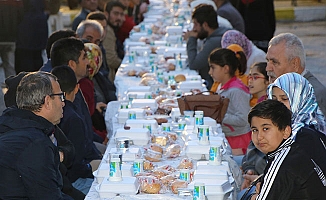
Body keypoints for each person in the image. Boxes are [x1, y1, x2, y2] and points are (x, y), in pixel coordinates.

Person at [239, 72, 326, 199]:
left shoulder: (301, 138)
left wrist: (257, 193)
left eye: (285, 99)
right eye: (274, 99)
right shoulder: (311, 129)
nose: (278, 104)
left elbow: (285, 172)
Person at [3, 72, 85, 199]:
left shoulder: (13, 123)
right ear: (47, 101)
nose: (63, 103)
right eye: (60, 97)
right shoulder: (35, 143)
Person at [50, 37, 104, 158]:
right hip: (83, 163)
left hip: (90, 149)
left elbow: (86, 131)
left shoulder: (75, 86)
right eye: (84, 58)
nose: (88, 62)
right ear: (72, 64)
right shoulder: (63, 97)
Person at [52, 66, 94, 195]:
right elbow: (77, 164)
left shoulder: (56, 115)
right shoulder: (73, 118)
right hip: (74, 181)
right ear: (76, 88)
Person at [266, 32, 326, 116]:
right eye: (267, 61)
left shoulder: (312, 96)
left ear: (295, 64)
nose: (268, 68)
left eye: (275, 62)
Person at [208, 48, 251, 155]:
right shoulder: (220, 85)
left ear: (226, 68)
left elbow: (243, 119)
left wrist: (218, 115)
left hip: (237, 142)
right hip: (226, 137)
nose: (210, 72)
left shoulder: (236, 91)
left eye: (213, 68)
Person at [184, 4, 231, 90]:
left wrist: (192, 38)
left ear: (205, 25)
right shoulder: (221, 33)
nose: (194, 29)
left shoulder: (214, 42)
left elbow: (194, 64)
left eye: (195, 24)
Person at [15, 0, 48, 74]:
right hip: (38, 40)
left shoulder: (23, 10)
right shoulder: (41, 13)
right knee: (37, 62)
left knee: (24, 65)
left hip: (24, 40)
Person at [103, 1, 126, 82]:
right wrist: (127, 66)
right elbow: (111, 60)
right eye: (116, 14)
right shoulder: (107, 31)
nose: (119, 18)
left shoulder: (112, 29)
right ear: (106, 14)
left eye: (121, 14)